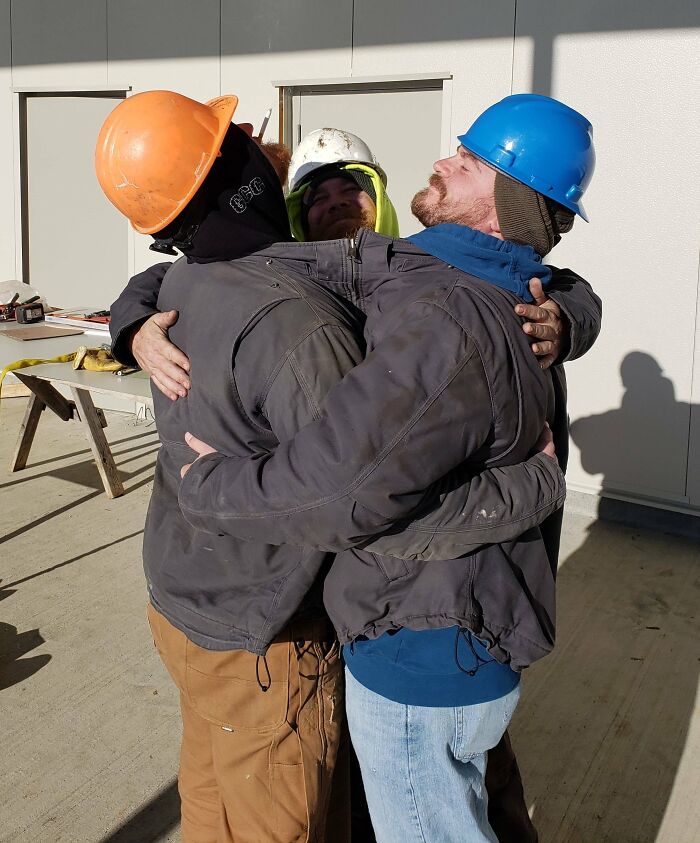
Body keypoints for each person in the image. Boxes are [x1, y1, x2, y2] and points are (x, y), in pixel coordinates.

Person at [100, 91, 576, 843]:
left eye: (351, 186)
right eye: (314, 193)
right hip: (308, 621)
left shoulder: (408, 292)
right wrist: (129, 326)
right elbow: (351, 499)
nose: (335, 204)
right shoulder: (330, 303)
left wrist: (573, 314)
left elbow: (351, 496)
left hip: (390, 623)